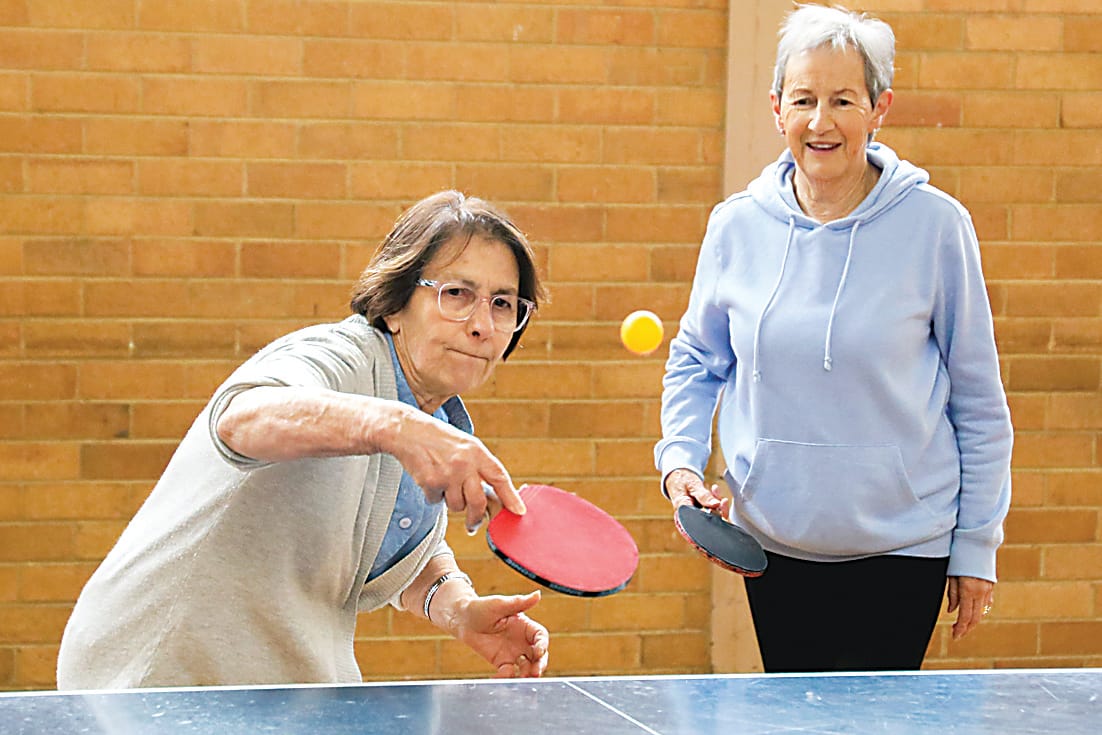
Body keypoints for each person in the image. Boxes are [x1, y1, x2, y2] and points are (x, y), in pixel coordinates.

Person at [57, 191, 551, 688]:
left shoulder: (436, 422)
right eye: (456, 294)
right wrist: (395, 426)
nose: (483, 325)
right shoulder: (338, 357)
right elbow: (241, 418)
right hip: (158, 676)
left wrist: (460, 610)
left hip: (276, 689)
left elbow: (401, 546)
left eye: (503, 304)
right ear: (395, 306)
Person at [655, 5, 1013, 673]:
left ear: (879, 108)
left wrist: (976, 545)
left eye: (843, 99)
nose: (822, 121)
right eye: (805, 99)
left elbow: (979, 402)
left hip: (905, 547)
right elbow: (698, 360)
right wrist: (678, 463)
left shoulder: (936, 225)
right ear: (776, 108)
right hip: (776, 544)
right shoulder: (736, 226)